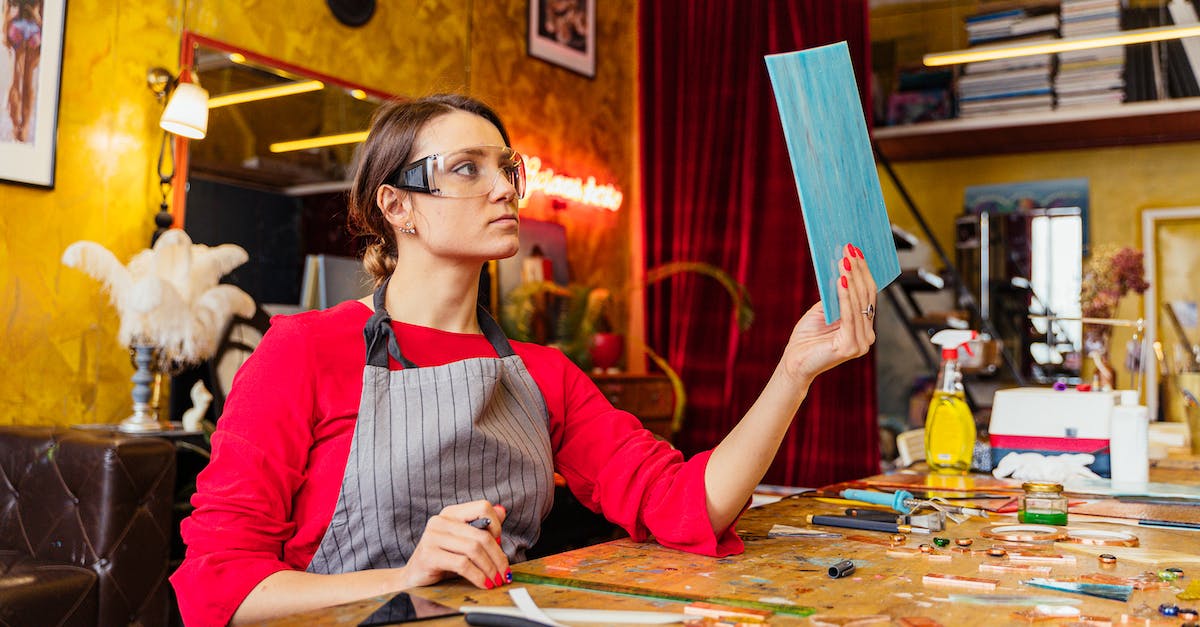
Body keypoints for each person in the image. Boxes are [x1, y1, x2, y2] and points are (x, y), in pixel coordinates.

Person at [170, 93, 878, 626]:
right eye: (467, 169)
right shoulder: (304, 351)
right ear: (397, 206)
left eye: (508, 168)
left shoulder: (544, 375)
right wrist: (406, 578)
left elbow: (689, 503)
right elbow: (219, 587)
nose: (505, 187)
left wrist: (795, 371)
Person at [3, 0, 41, 143]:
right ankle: (24, 126)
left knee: (15, 80)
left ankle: (15, 126)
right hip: (34, 29)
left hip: (16, 26)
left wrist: (4, 32)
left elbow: (7, 8)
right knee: (27, 82)